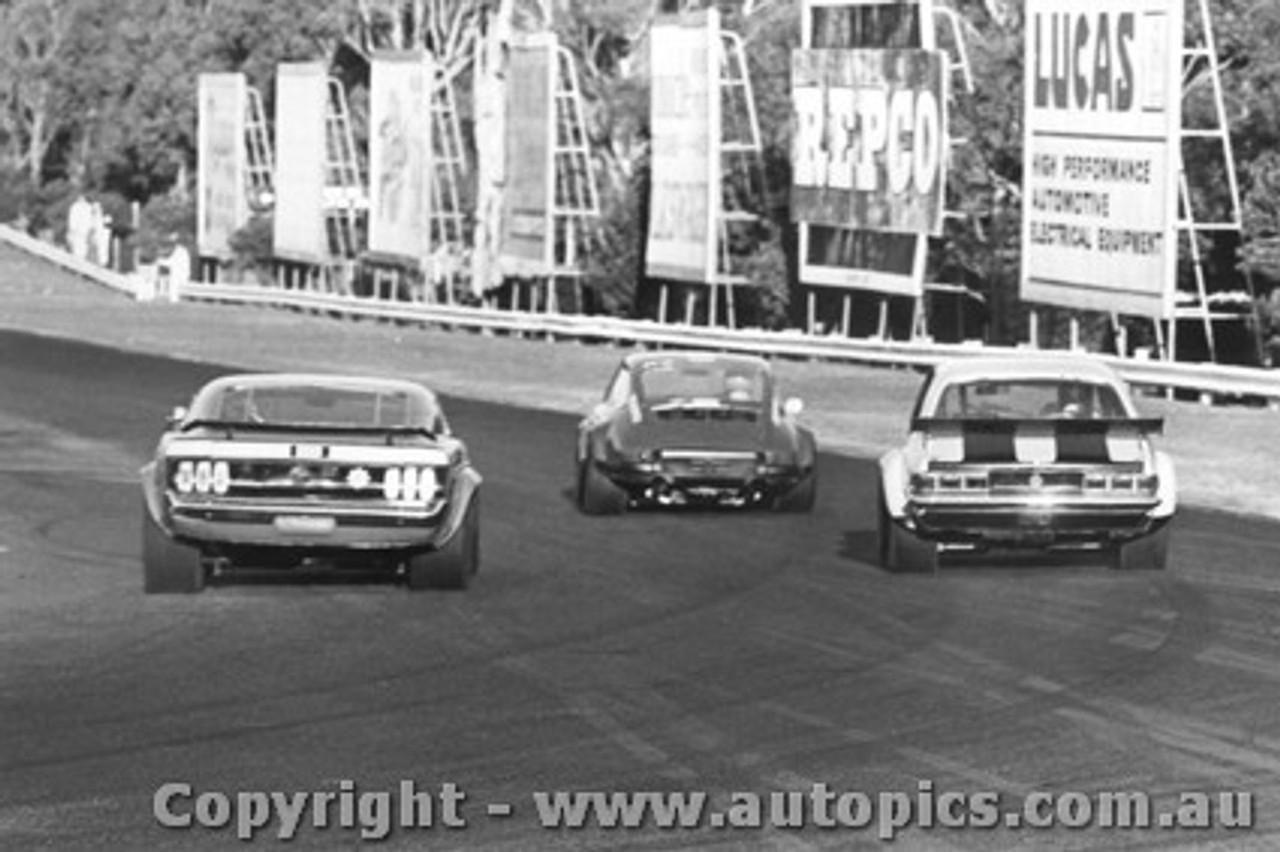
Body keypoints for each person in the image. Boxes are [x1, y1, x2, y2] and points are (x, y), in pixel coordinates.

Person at [157, 233, 191, 302]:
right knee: (169, 281)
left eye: (173, 242)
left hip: (180, 276)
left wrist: (158, 261)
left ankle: (174, 301)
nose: (171, 244)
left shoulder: (181, 251)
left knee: (173, 288)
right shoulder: (179, 250)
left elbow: (171, 263)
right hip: (177, 275)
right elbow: (171, 262)